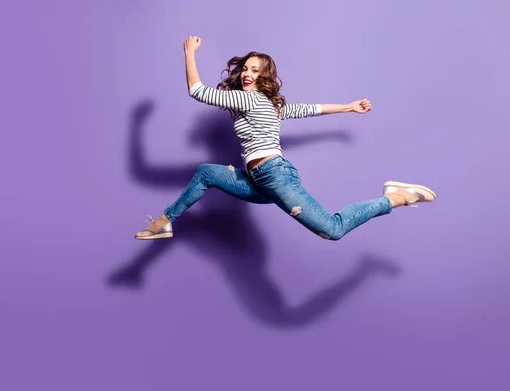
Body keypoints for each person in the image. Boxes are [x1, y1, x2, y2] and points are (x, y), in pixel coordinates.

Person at [134, 36, 436, 240]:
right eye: (245, 69)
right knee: (205, 173)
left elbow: (196, 91)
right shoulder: (268, 105)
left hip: (275, 176)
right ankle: (164, 222)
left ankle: (395, 196)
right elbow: (310, 110)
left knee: (332, 229)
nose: (247, 74)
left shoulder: (250, 100)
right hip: (259, 181)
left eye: (255, 70)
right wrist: (349, 106)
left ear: (264, 75)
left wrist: (188, 52)